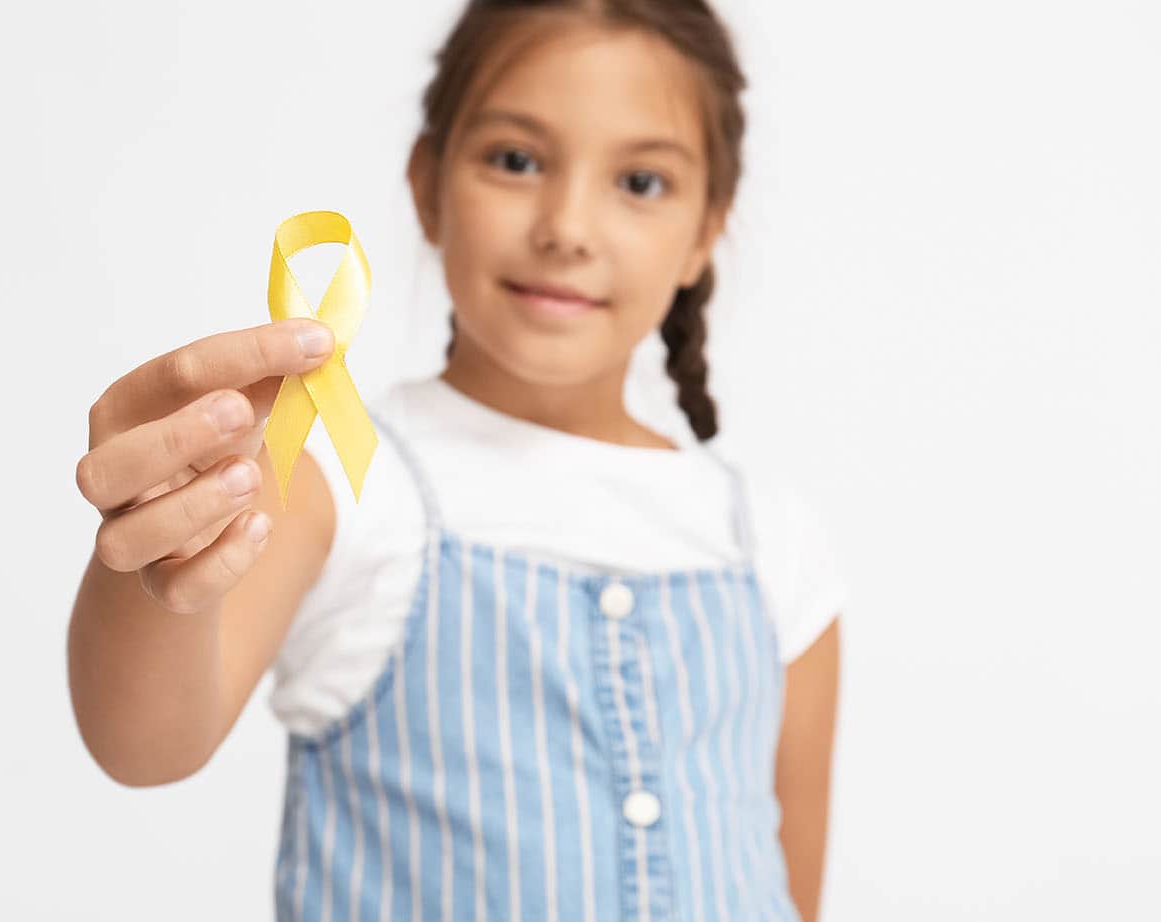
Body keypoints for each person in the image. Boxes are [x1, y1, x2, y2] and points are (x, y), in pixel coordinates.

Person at [69, 2, 846, 920]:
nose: (567, 226)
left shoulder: (770, 546)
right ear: (427, 185)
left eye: (639, 181)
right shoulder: (347, 489)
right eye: (516, 161)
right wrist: (147, 559)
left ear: (707, 228)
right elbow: (147, 744)